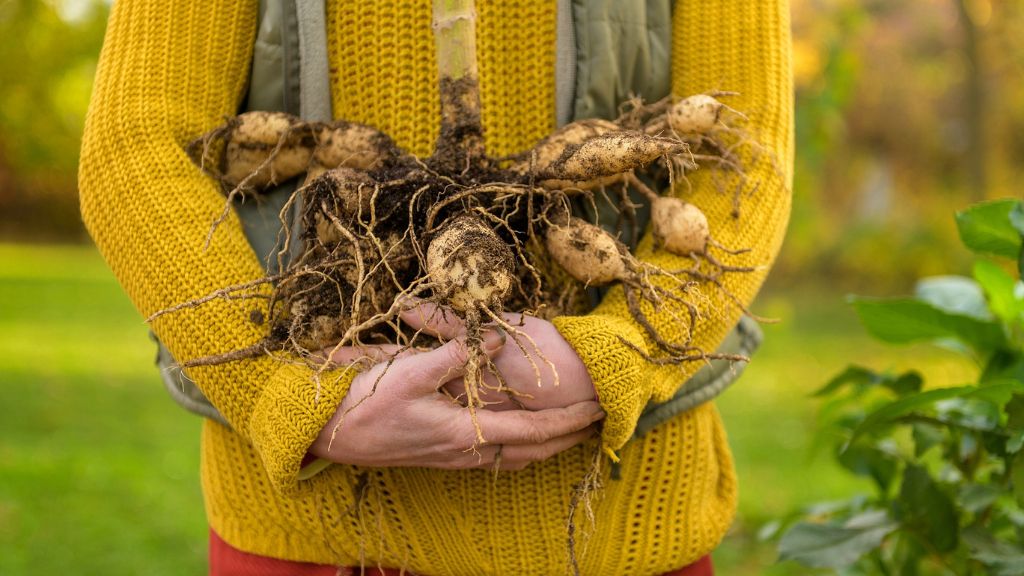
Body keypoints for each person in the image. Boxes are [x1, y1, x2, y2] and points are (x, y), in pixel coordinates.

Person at [79, 1, 792, 574]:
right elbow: (137, 142)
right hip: (313, 531)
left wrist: (618, 352)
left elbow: (745, 150)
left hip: (629, 520)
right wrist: (288, 397)